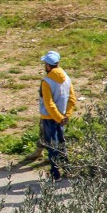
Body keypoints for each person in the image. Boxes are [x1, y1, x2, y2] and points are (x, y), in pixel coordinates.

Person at [38, 50, 77, 181]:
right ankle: (68, 169)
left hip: (50, 118)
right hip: (62, 117)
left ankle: (55, 174)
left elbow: (49, 104)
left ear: (48, 66)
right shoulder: (66, 77)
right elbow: (72, 99)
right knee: (61, 144)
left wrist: (58, 117)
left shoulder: (46, 81)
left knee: (52, 146)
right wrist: (66, 116)